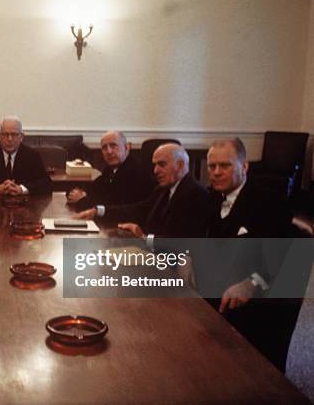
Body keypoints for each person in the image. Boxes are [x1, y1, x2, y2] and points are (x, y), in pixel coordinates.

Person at [202, 137, 299, 372]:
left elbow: (285, 259)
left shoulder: (270, 201)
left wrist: (251, 282)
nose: (215, 173)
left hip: (253, 306)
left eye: (224, 166)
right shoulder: (214, 197)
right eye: (211, 167)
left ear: (244, 167)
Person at [75, 143, 210, 238]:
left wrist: (144, 237)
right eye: (155, 165)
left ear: (180, 165)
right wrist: (98, 210)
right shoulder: (163, 189)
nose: (155, 170)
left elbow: (179, 243)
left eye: (162, 164)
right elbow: (138, 209)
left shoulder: (196, 194)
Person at [67, 130, 155, 210]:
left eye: (113, 145)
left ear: (127, 148)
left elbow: (114, 204)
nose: (109, 151)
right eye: (104, 147)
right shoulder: (110, 169)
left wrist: (82, 200)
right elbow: (94, 188)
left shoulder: (136, 171)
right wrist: (76, 193)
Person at [0, 116, 52, 195]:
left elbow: (46, 184)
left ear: (21, 136)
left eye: (14, 134)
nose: (10, 139)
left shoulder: (32, 156)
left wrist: (21, 189)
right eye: (5, 134)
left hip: (24, 208)